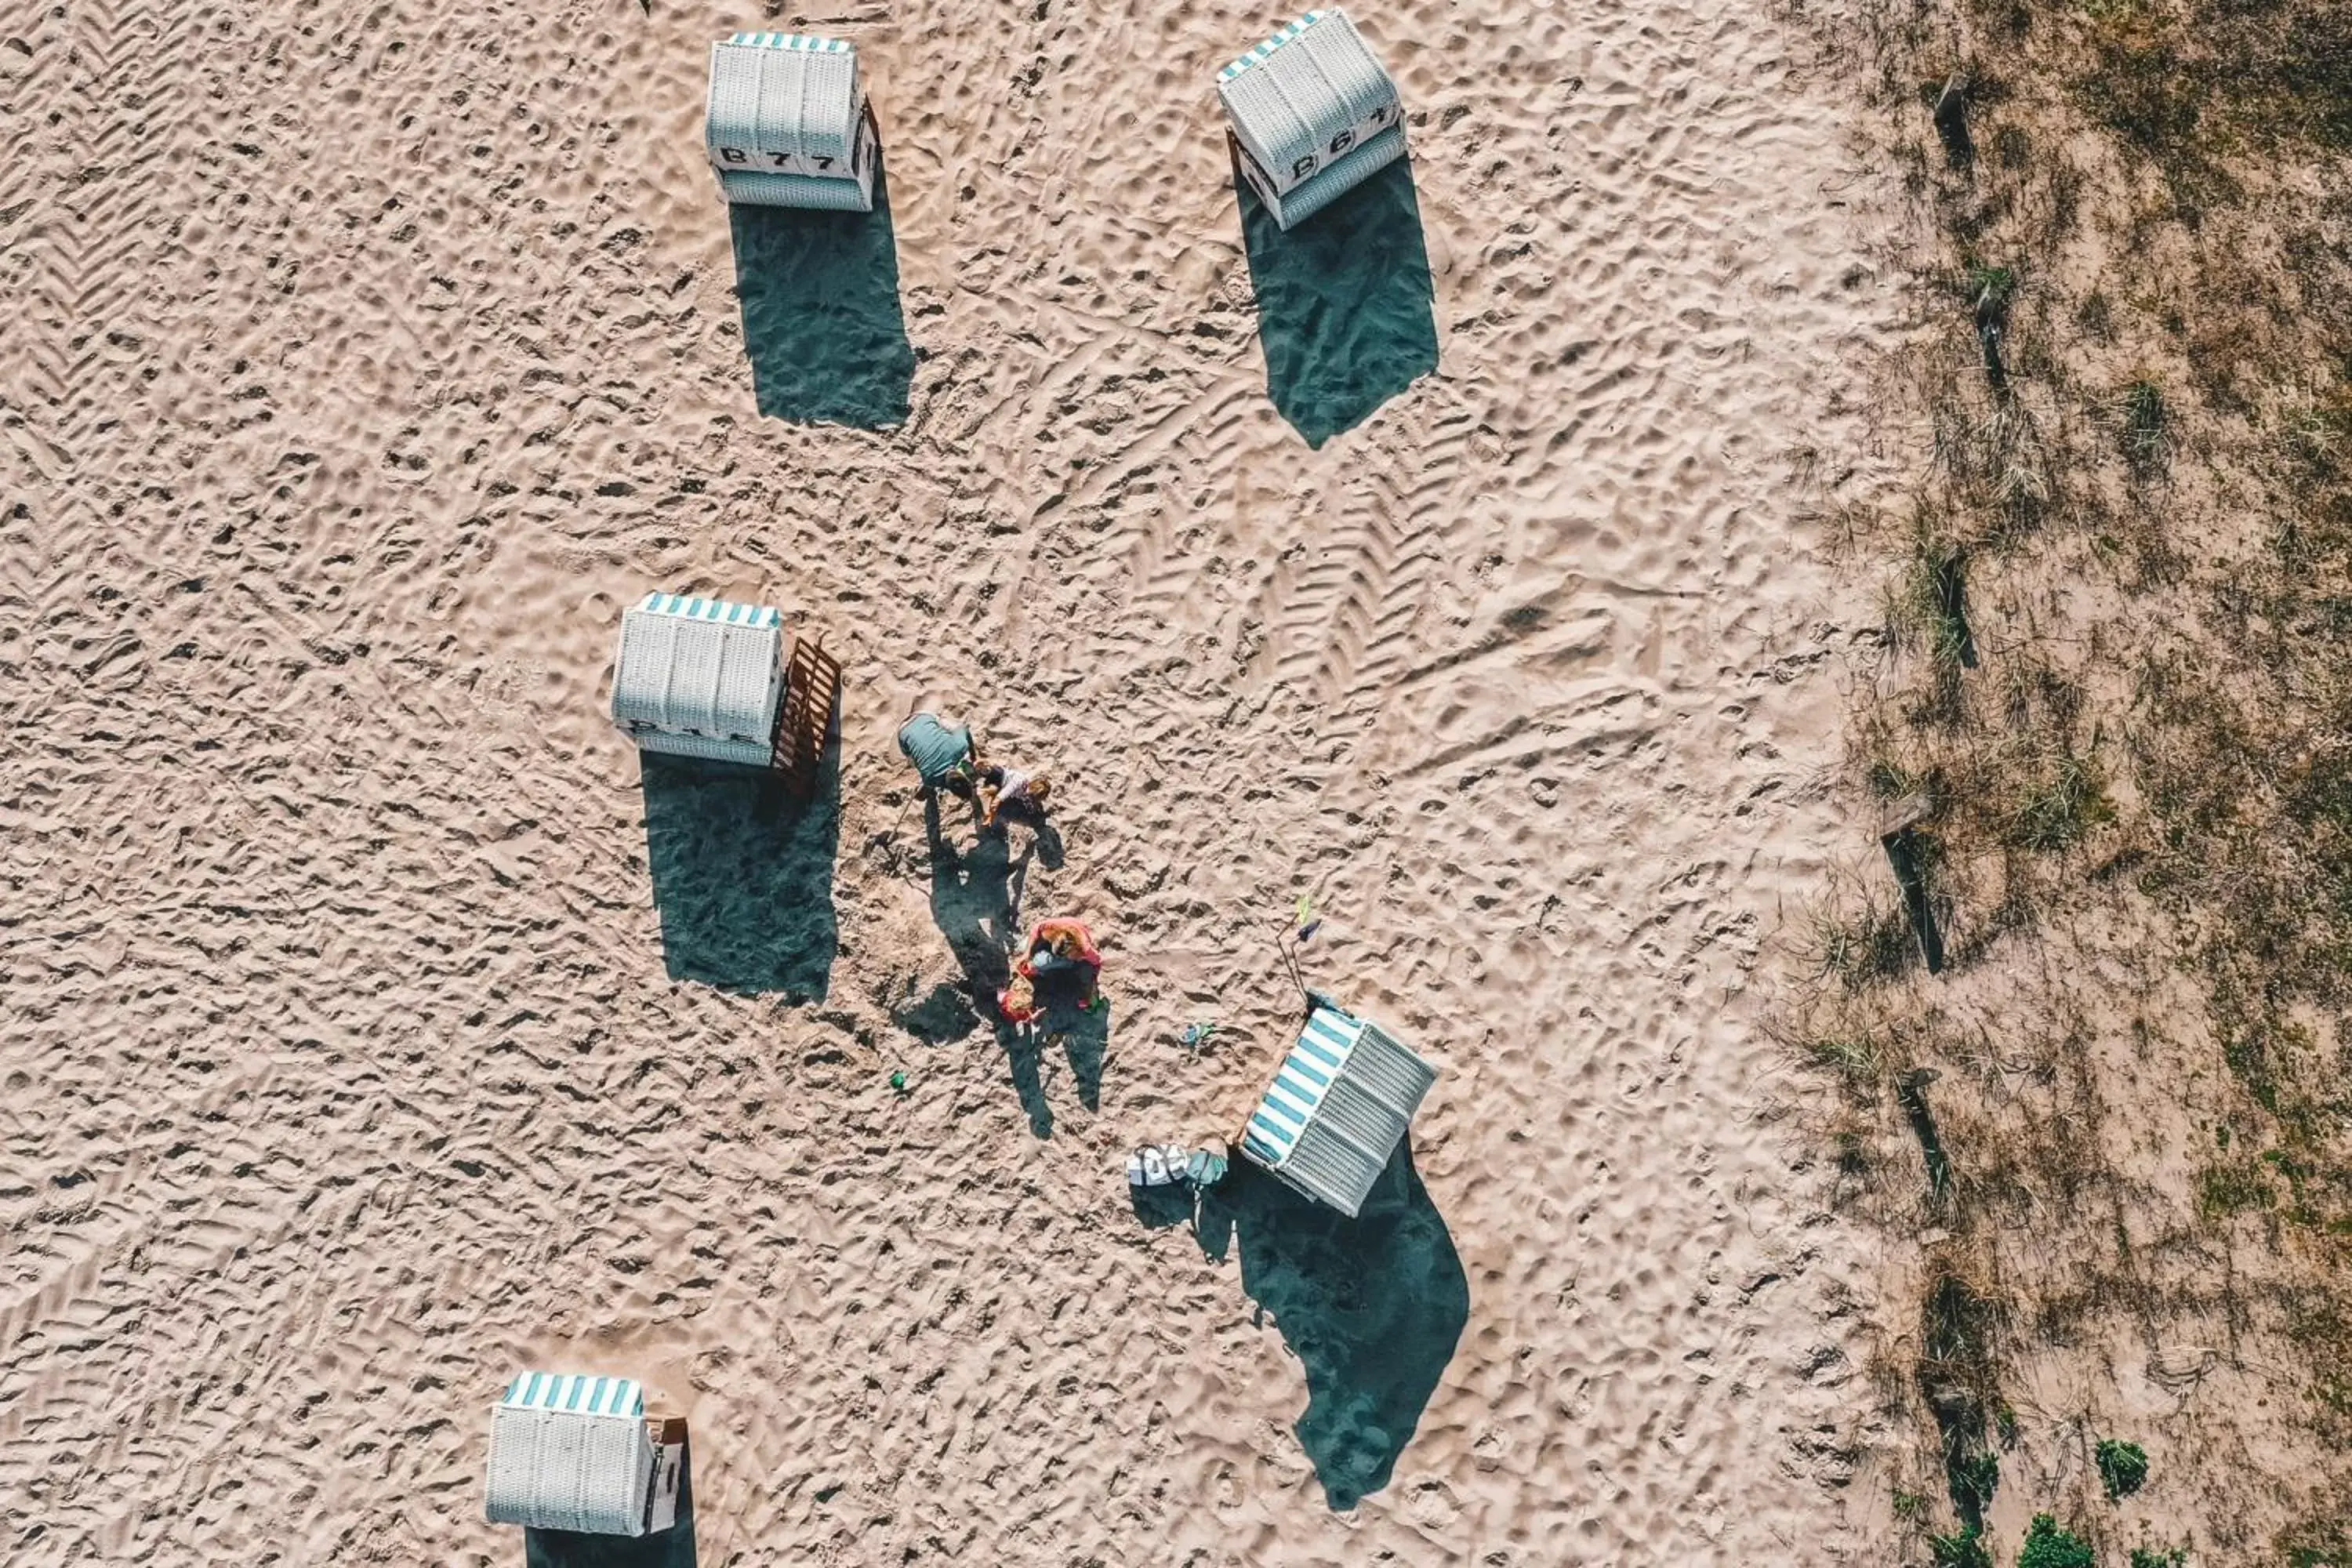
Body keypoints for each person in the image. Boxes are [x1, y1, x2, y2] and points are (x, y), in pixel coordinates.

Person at [978, 764, 1051, 829]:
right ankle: (981, 790)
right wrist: (990, 816)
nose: (1031, 798)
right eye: (1032, 796)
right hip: (997, 777)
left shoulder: (1028, 788)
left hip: (1001, 780)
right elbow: (998, 799)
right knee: (992, 793)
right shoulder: (1018, 782)